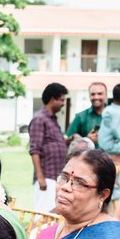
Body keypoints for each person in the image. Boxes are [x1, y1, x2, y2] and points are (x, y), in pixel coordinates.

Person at [29, 82, 68, 212]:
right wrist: (41, 178)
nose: (63, 103)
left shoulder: (52, 119)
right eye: (61, 100)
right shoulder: (39, 119)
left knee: (54, 215)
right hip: (46, 177)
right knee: (43, 215)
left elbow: (54, 144)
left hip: (56, 177)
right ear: (52, 99)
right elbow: (34, 150)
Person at [66, 82, 107, 148]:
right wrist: (86, 140)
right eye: (93, 94)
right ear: (89, 96)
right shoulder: (80, 116)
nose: (96, 97)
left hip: (110, 157)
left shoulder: (115, 115)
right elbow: (67, 140)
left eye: (100, 94)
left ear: (106, 95)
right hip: (88, 157)